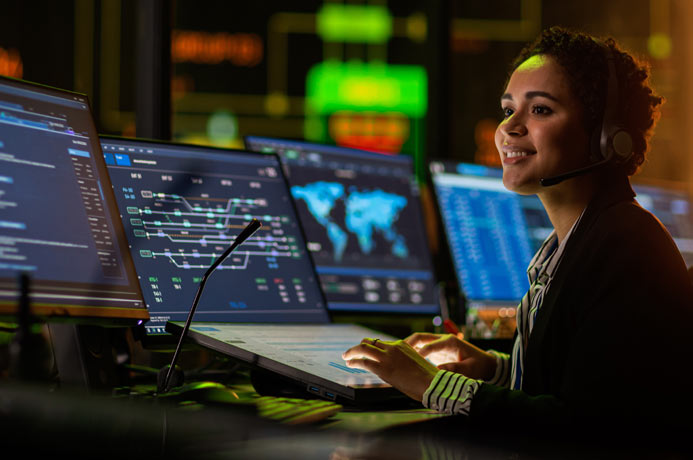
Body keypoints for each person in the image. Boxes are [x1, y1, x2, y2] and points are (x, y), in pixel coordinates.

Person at [342, 26, 693, 437]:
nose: (509, 128)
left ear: (603, 136)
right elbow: (582, 380)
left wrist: (431, 384)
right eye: (508, 109)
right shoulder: (576, 243)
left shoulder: (627, 247)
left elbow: (588, 428)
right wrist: (495, 369)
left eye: (540, 110)